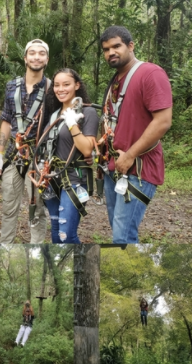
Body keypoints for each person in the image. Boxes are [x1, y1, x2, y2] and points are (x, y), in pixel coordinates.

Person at [100, 26, 172, 244]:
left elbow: (162, 122)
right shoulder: (115, 81)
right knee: (118, 232)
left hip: (138, 169)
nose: (111, 52)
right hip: (114, 167)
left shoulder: (150, 73)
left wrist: (130, 155)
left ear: (130, 46)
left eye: (116, 46)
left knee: (123, 236)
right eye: (106, 49)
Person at [0, 39, 50, 244]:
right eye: (32, 53)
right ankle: (5, 245)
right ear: (25, 58)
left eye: (41, 53)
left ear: (47, 59)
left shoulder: (53, 88)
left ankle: (36, 247)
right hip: (13, 154)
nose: (36, 57)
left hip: (40, 156)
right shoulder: (12, 86)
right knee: (9, 206)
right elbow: (6, 121)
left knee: (37, 209)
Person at [37, 68, 99, 243]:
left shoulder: (88, 113)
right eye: (56, 85)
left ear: (77, 85)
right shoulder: (54, 114)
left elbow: (87, 149)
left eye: (66, 84)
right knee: (56, 232)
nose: (60, 89)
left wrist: (72, 123)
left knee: (66, 235)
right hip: (51, 178)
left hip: (74, 179)